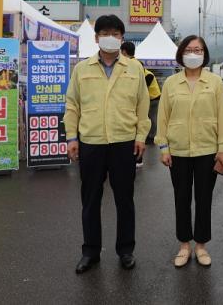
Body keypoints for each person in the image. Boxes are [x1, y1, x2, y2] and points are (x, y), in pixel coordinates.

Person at [64, 15, 151, 274]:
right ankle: (90, 252)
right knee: (90, 199)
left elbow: (142, 105)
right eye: (104, 33)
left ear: (122, 38)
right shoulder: (82, 69)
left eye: (115, 33)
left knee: (125, 199)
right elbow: (72, 105)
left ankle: (126, 250)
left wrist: (140, 136)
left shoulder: (134, 69)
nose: (109, 37)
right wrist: (71, 137)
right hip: (91, 142)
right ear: (96, 38)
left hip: (124, 142)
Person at [156, 35, 223, 268]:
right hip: (178, 150)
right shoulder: (171, 83)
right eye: (189, 49)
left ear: (204, 54)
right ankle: (184, 245)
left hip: (207, 150)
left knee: (204, 199)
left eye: (198, 50)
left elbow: (222, 117)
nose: (193, 53)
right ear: (181, 53)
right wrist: (163, 147)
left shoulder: (214, 82)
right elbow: (163, 117)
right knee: (181, 199)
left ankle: (200, 245)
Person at [120, 41, 161, 168]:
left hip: (153, 98)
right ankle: (148, 137)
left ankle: (151, 137)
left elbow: (142, 88)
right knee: (147, 119)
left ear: (124, 51)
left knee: (150, 118)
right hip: (148, 97)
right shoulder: (137, 65)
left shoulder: (135, 66)